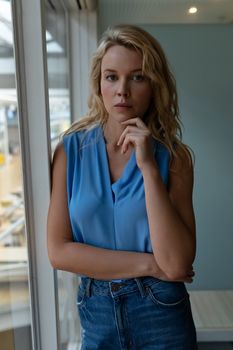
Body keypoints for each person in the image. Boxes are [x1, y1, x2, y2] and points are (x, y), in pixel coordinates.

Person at [47, 24, 197, 349]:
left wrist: (148, 169)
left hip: (162, 313)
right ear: (99, 84)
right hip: (96, 312)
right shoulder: (69, 151)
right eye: (111, 76)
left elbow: (176, 264)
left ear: (154, 85)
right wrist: (147, 264)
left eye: (137, 77)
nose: (122, 90)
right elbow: (59, 252)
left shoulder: (175, 158)